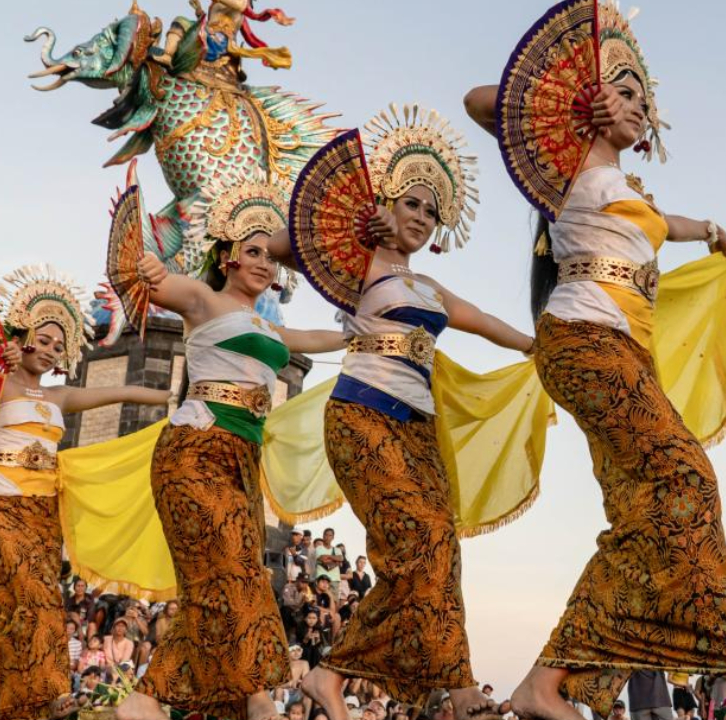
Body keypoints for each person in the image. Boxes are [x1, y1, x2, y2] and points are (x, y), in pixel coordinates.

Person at [463, 5, 726, 720]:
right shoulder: (567, 167)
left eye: (644, 99)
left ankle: (553, 685)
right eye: (626, 93)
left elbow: (669, 225)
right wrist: (574, 105)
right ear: (596, 100)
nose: (641, 108)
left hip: (625, 350)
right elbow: (481, 103)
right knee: (686, 477)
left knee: (659, 508)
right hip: (583, 337)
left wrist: (714, 232)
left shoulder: (635, 195)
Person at [271, 103, 532, 720]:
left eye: (430, 211)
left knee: (442, 549)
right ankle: (344, 674)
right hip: (362, 416)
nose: (419, 217)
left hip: (418, 429)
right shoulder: (360, 262)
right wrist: (363, 228)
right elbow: (282, 243)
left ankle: (453, 686)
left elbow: (489, 324)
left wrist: (536, 344)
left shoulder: (432, 291)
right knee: (423, 540)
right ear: (388, 204)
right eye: (411, 203)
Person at [117, 175, 346, 720]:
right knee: (230, 576)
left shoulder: (265, 326)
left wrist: (366, 331)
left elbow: (311, 340)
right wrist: (151, 271)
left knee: (233, 582)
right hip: (195, 453)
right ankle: (256, 700)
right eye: (253, 253)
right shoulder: (205, 300)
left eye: (271, 258)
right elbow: (163, 285)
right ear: (227, 258)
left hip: (242, 461)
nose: (266, 265)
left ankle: (157, 701)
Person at [0, 264, 170, 720]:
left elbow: (123, 393)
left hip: (41, 514)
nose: (52, 351)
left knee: (24, 610)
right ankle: (46, 692)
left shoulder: (59, 398)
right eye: (45, 340)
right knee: (31, 600)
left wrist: (176, 399)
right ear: (21, 336)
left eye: (60, 345)